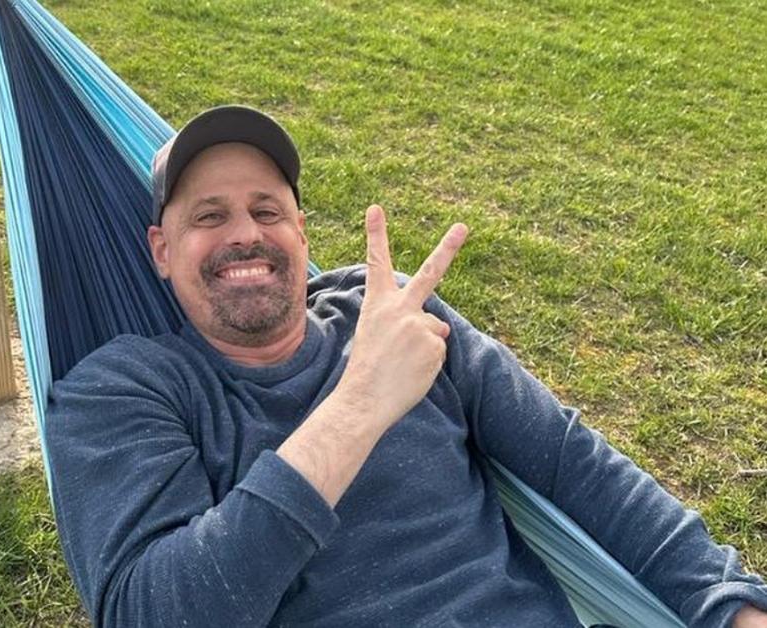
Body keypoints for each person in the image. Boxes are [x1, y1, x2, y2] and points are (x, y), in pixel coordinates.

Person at [46, 105, 767, 627]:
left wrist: (728, 604)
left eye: (268, 211)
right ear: (160, 252)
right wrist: (359, 405)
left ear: (301, 232)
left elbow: (571, 462)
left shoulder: (389, 312)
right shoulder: (123, 391)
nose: (245, 235)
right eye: (208, 217)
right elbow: (153, 610)